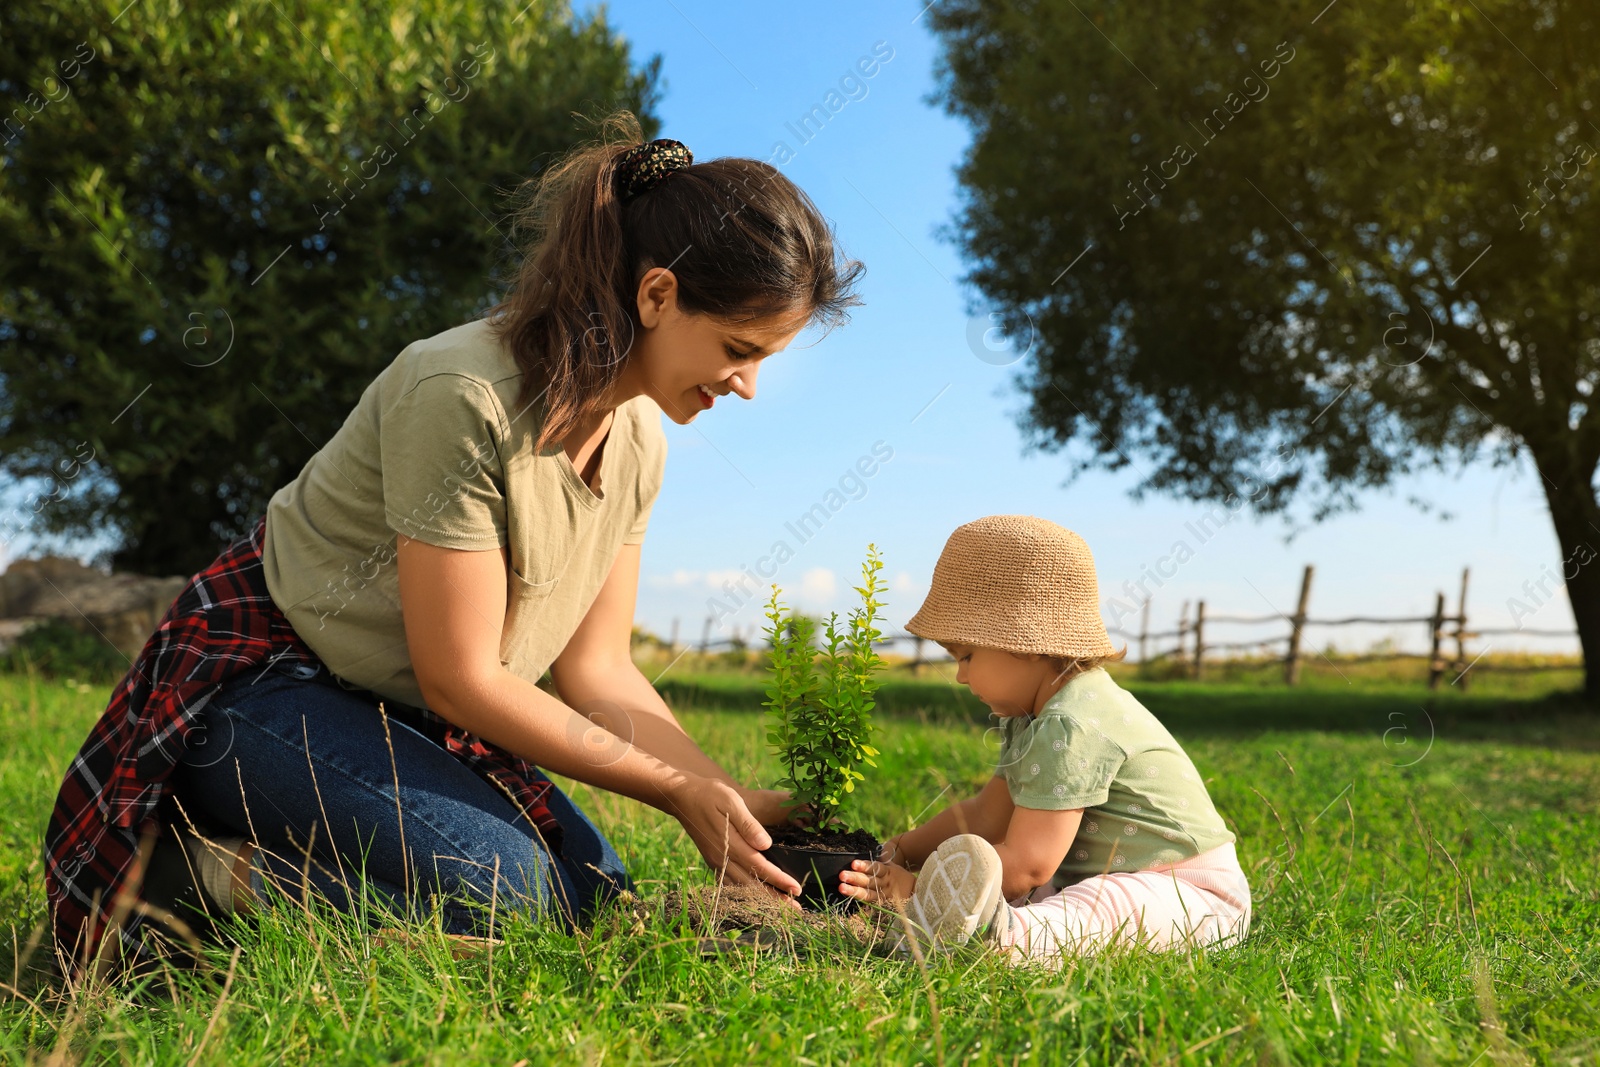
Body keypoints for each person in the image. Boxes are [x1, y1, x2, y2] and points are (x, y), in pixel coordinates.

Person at [43, 111, 864, 978]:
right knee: (509, 889)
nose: (748, 387)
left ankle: (285, 890)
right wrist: (667, 789)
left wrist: (723, 798)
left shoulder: (640, 443)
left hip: (400, 720)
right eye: (740, 350)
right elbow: (461, 674)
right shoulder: (463, 392)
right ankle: (185, 879)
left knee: (595, 894)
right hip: (259, 693)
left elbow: (600, 671)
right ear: (656, 294)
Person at [838, 515, 1251, 966]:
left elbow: (1029, 865)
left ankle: (997, 938)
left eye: (967, 656)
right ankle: (970, 920)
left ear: (1027, 641)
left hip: (1190, 896)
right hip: (1099, 880)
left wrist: (916, 887)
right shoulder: (1029, 716)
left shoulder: (1074, 721)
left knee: (1096, 910)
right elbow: (984, 816)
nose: (959, 676)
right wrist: (897, 849)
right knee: (1068, 899)